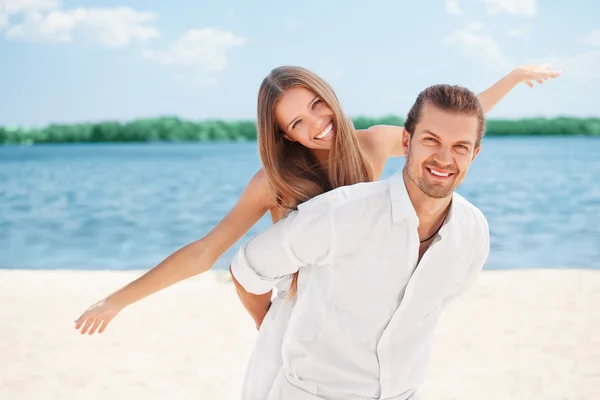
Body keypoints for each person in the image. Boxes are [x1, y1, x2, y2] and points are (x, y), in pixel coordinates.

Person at [73, 64, 560, 337]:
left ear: (328, 95)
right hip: (300, 320)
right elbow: (207, 252)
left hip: (365, 313)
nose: (314, 125)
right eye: (295, 124)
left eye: (315, 106)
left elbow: (446, 130)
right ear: (283, 135)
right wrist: (117, 301)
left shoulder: (372, 144)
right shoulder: (275, 181)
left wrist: (513, 79)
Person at [230, 83, 490, 400]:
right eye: (430, 140)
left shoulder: (472, 232)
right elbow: (247, 269)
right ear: (406, 142)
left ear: (474, 154)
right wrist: (268, 322)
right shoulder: (338, 214)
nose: (444, 158)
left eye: (460, 147)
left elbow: (435, 305)